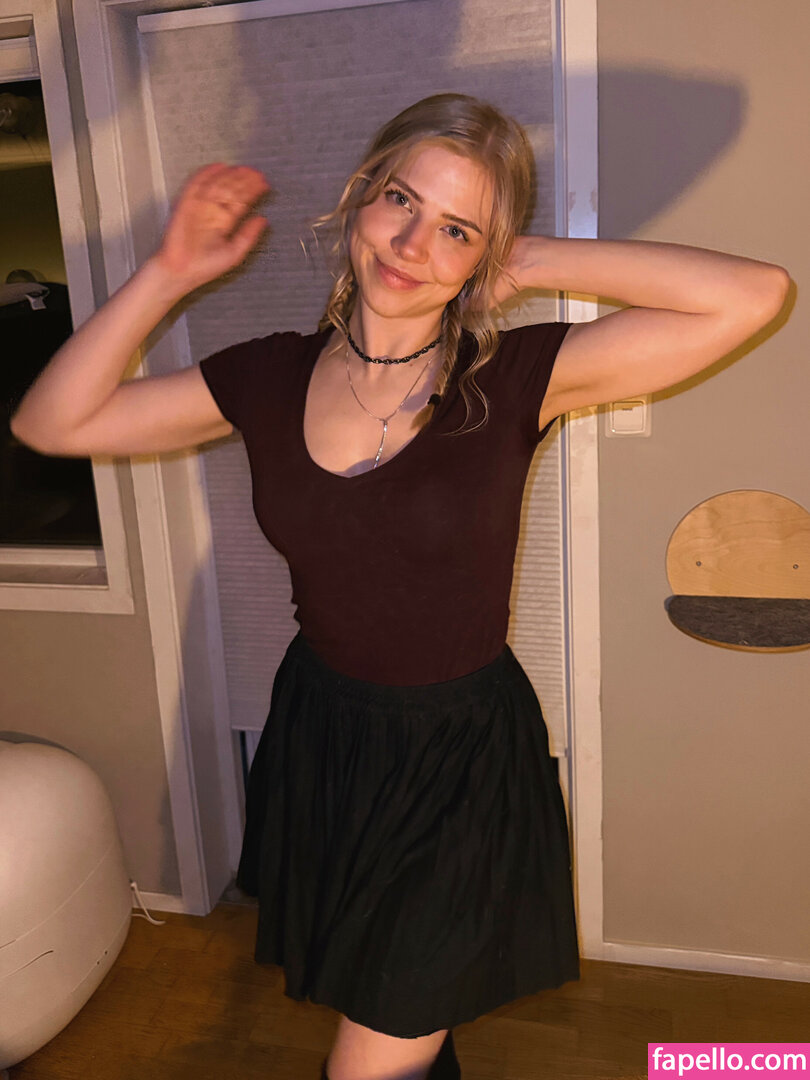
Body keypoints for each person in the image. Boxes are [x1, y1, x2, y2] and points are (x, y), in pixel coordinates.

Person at [10, 94, 790, 1080]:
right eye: (401, 201)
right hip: (327, 734)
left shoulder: (516, 376)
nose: (414, 244)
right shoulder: (267, 376)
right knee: (394, 998)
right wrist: (167, 272)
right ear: (360, 197)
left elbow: (754, 293)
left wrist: (525, 258)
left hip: (459, 760)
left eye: (458, 228)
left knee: (377, 1044)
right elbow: (51, 423)